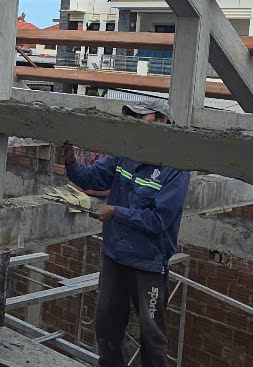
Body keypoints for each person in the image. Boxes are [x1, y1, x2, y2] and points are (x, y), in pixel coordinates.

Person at [59, 102, 190, 367]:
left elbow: (158, 219)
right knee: (107, 327)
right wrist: (71, 161)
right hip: (115, 257)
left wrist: (116, 212)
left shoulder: (175, 167)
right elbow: (93, 178)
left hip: (147, 264)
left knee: (152, 337)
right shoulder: (126, 153)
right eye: (132, 117)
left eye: (141, 116)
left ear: (162, 121)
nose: (135, 122)